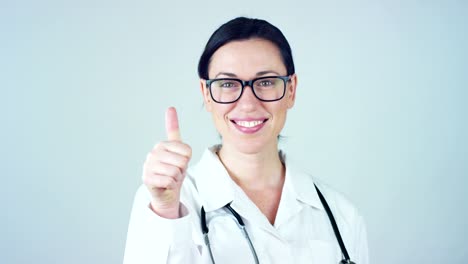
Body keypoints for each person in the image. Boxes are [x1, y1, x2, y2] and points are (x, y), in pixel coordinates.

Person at [124, 17, 369, 264]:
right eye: (228, 84)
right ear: (206, 94)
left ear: (291, 90)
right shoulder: (161, 203)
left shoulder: (341, 215)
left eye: (265, 82)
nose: (248, 104)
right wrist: (166, 211)